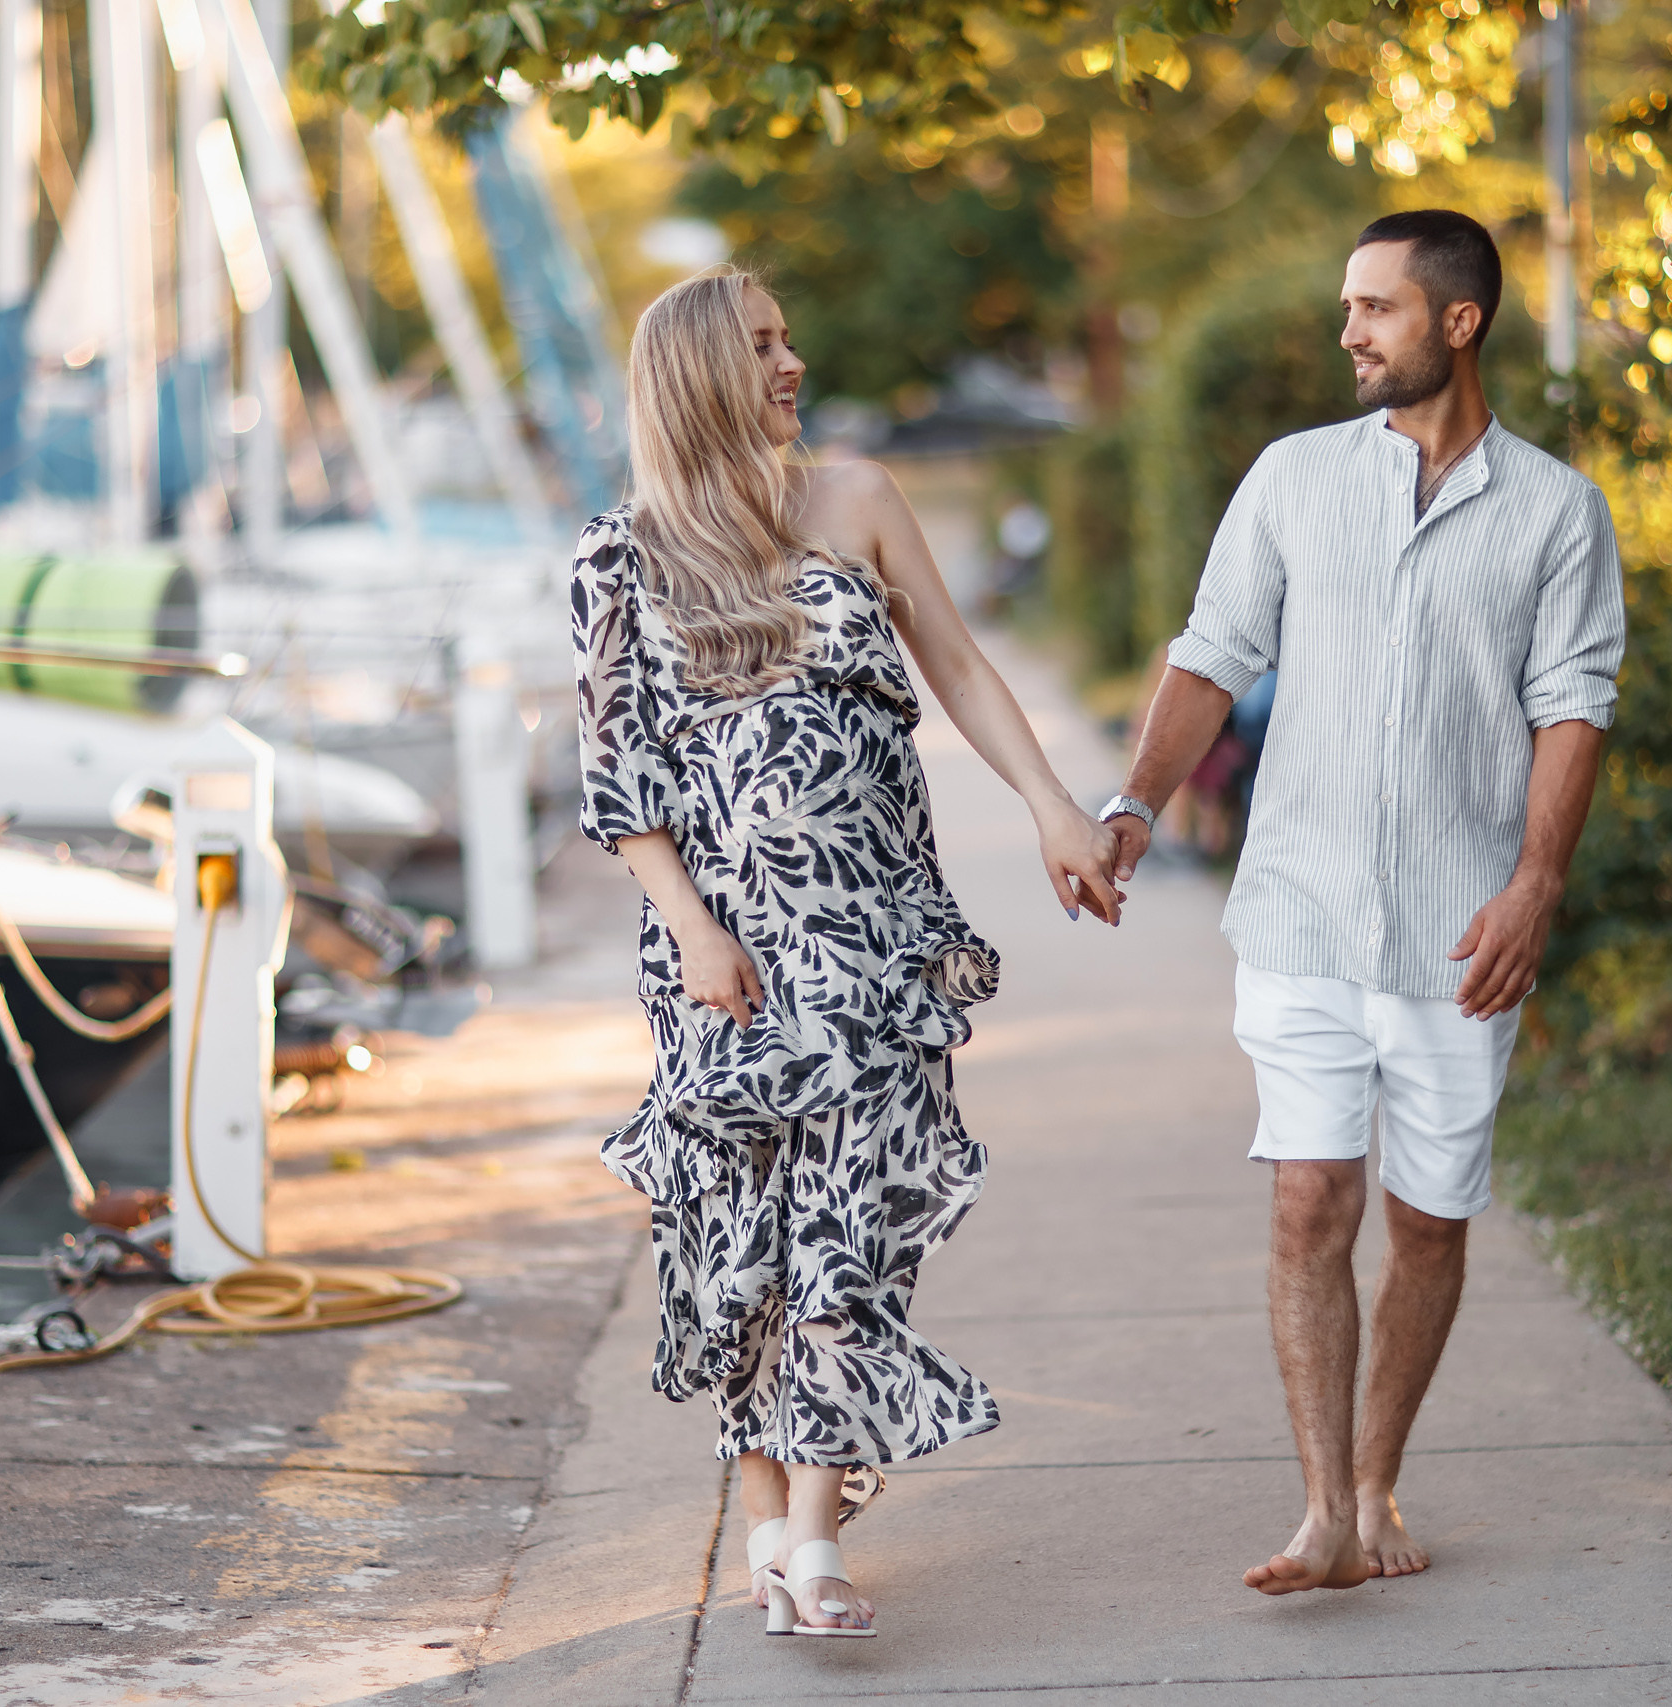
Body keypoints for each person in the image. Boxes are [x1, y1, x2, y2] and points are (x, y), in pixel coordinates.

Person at [572, 265, 1122, 1637]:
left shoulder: (860, 499)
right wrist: (695, 930)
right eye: (764, 344)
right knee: (738, 1242)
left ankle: (814, 1538)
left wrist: (1054, 805)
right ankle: (768, 1520)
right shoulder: (618, 555)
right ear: (702, 369)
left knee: (851, 1231)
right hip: (726, 965)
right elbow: (619, 777)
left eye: (788, 338)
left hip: (876, 942)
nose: (793, 360)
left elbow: (960, 662)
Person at [1094, 210, 1625, 1595]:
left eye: (1375, 308)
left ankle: (1382, 1474)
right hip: (1302, 912)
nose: (1347, 332)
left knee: (1429, 1222)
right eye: (1346, 306)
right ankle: (1326, 1512)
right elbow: (1212, 654)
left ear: (1458, 320)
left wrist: (1535, 885)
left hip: (1463, 930)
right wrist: (1134, 806)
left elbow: (1571, 708)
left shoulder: (1558, 511)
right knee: (1309, 1202)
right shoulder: (1291, 479)